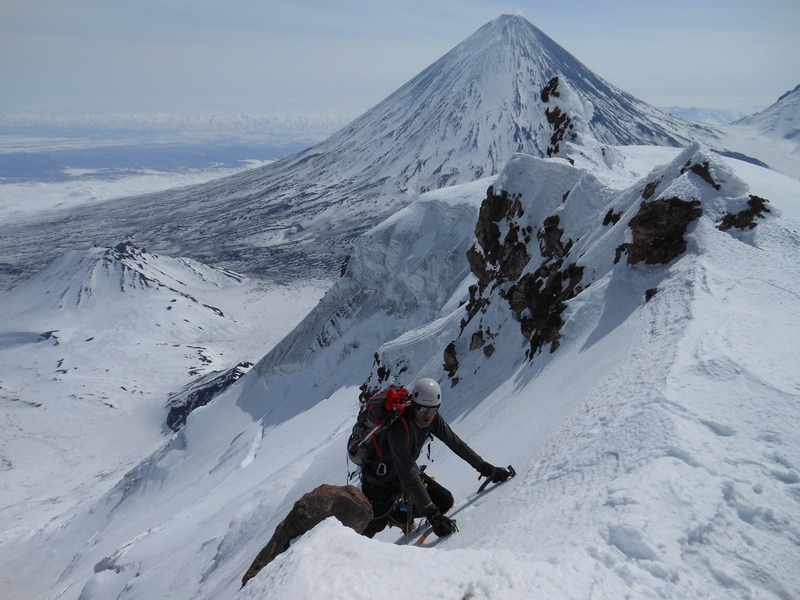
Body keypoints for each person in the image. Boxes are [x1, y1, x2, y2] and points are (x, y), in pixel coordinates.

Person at [360, 377, 511, 538]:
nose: (427, 415)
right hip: (380, 484)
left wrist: (485, 467)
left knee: (444, 501)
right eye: (422, 409)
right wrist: (432, 514)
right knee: (372, 527)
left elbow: (456, 444)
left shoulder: (433, 419)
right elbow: (408, 475)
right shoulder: (398, 429)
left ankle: (397, 514)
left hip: (404, 476)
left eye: (432, 410)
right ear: (413, 406)